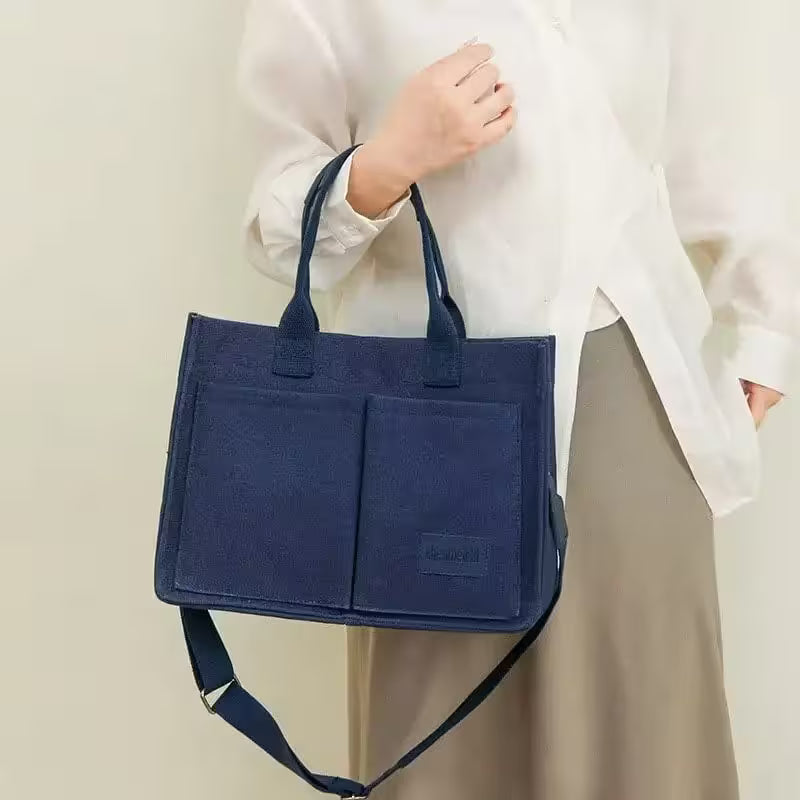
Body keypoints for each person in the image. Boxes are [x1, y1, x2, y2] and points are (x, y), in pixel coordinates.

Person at [236, 1, 798, 797]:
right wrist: (389, 161)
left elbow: (713, 131)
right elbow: (279, 227)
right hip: (425, 426)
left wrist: (765, 320)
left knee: (649, 739)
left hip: (631, 396)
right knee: (439, 748)